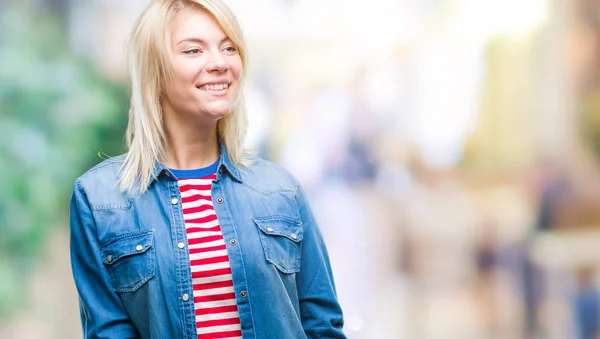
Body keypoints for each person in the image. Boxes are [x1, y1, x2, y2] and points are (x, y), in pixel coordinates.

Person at [68, 0, 346, 338]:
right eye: (193, 50)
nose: (219, 63)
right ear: (155, 69)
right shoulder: (99, 199)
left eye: (229, 47)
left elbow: (323, 324)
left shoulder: (280, 189)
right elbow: (109, 332)